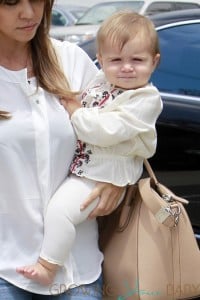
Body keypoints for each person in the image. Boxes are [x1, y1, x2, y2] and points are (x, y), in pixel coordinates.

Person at [17, 10, 163, 287]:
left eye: (137, 60)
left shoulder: (145, 99)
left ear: (154, 62)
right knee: (60, 210)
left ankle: (48, 266)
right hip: (89, 172)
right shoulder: (103, 82)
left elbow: (106, 131)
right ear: (102, 60)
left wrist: (75, 111)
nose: (126, 67)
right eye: (116, 60)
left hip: (104, 177)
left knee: (60, 212)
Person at [0, 0, 125, 299]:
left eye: (36, 0)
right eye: (10, 2)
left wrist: (118, 176)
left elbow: (122, 127)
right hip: (6, 270)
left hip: (79, 270)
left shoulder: (70, 60)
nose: (29, 13)